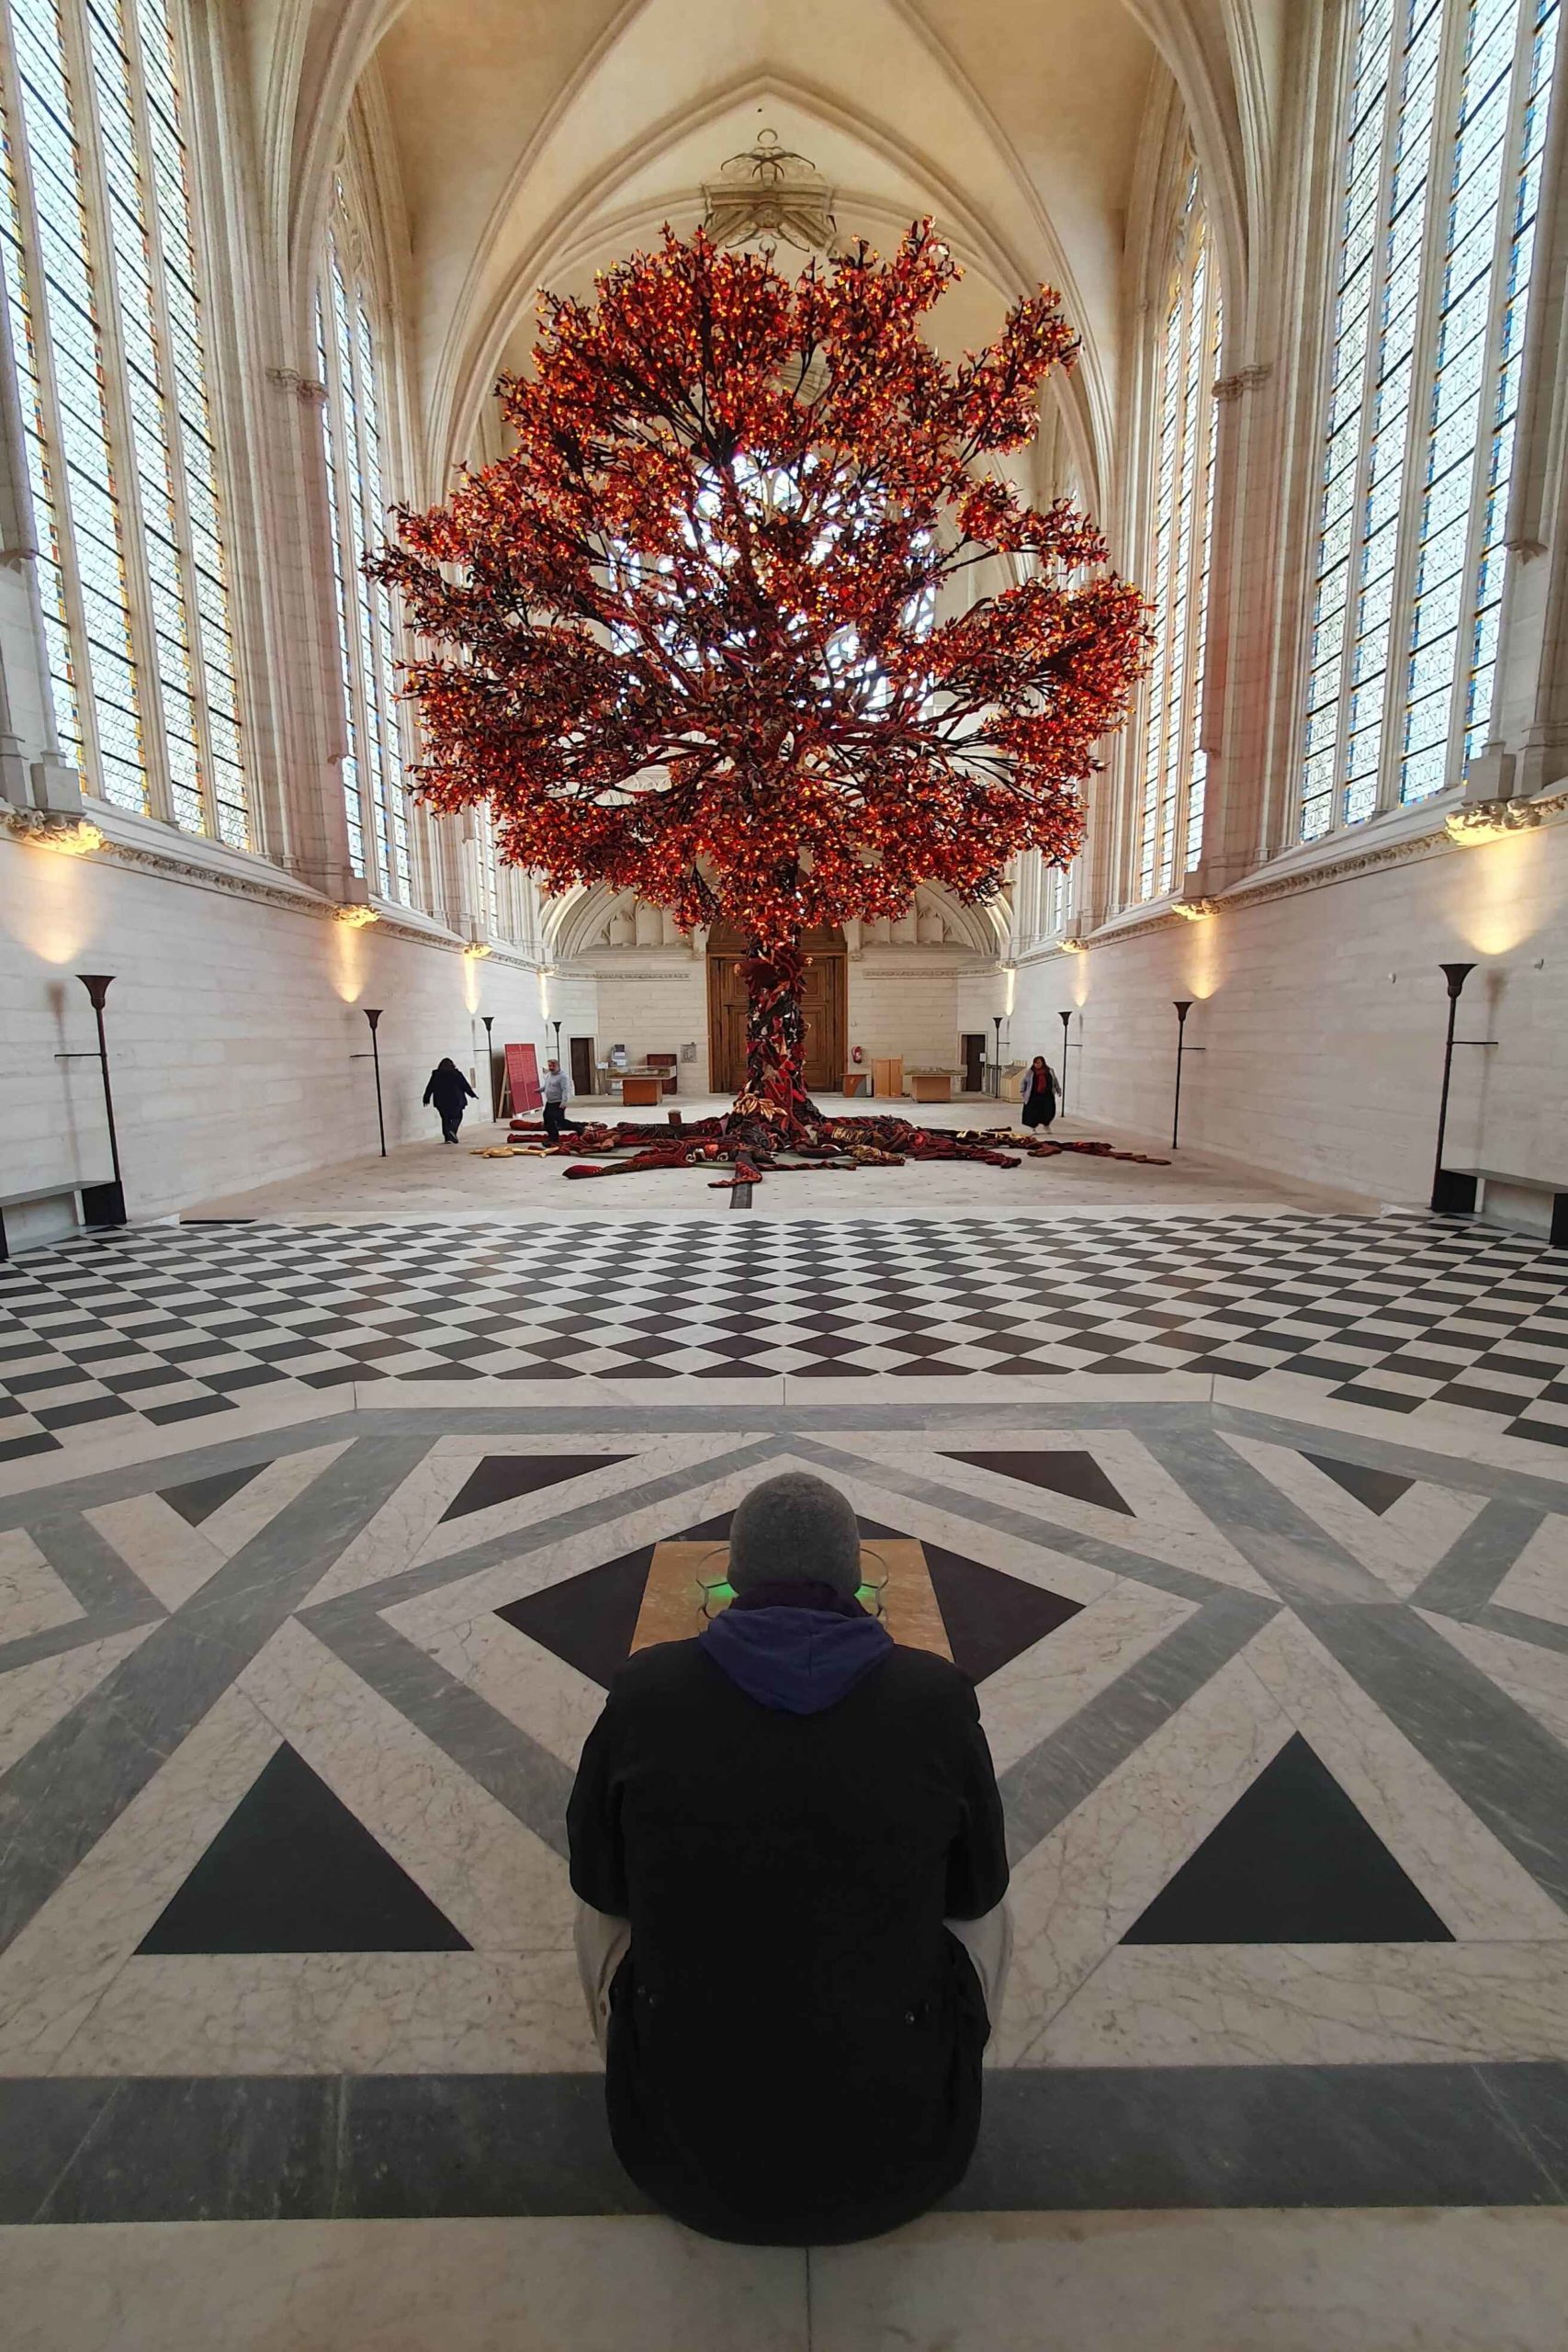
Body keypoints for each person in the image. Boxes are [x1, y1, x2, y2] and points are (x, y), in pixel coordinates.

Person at [567, 1470, 1011, 2246]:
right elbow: (976, 1892)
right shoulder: (934, 1699)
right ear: (855, 1577)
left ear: (735, 1578)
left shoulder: (645, 1693)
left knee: (593, 1899)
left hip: (678, 2156)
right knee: (992, 1903)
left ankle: (646, 2044)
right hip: (905, 2157)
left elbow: (599, 1881)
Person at [422, 1057, 477, 1144]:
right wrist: (472, 1094)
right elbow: (465, 1085)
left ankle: (447, 1138)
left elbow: (430, 1087)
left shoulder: (436, 1075)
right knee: (458, 1116)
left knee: (445, 1118)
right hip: (456, 1100)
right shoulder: (456, 1074)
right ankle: (452, 1130)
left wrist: (426, 1098)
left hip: (441, 1101)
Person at [540, 1057, 581, 1142]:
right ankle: (553, 1137)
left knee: (560, 1122)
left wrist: (564, 1102)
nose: (551, 1068)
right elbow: (546, 1086)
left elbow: (566, 1090)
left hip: (558, 1102)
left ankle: (579, 1128)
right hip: (550, 1102)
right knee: (547, 1119)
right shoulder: (549, 1075)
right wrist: (539, 1090)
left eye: (553, 1066)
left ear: (558, 1066)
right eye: (549, 1066)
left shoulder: (563, 1077)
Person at [1019, 1053, 1058, 1131]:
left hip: (1047, 1095)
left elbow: (1054, 1080)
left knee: (1049, 1111)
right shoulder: (1030, 1072)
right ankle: (1033, 1127)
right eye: (1035, 1063)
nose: (1037, 1065)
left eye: (1038, 1063)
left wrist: (1058, 1089)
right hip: (1034, 1095)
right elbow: (1024, 1081)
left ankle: (1046, 1124)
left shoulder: (1049, 1071)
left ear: (1043, 1063)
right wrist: (1022, 1090)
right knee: (1033, 1113)